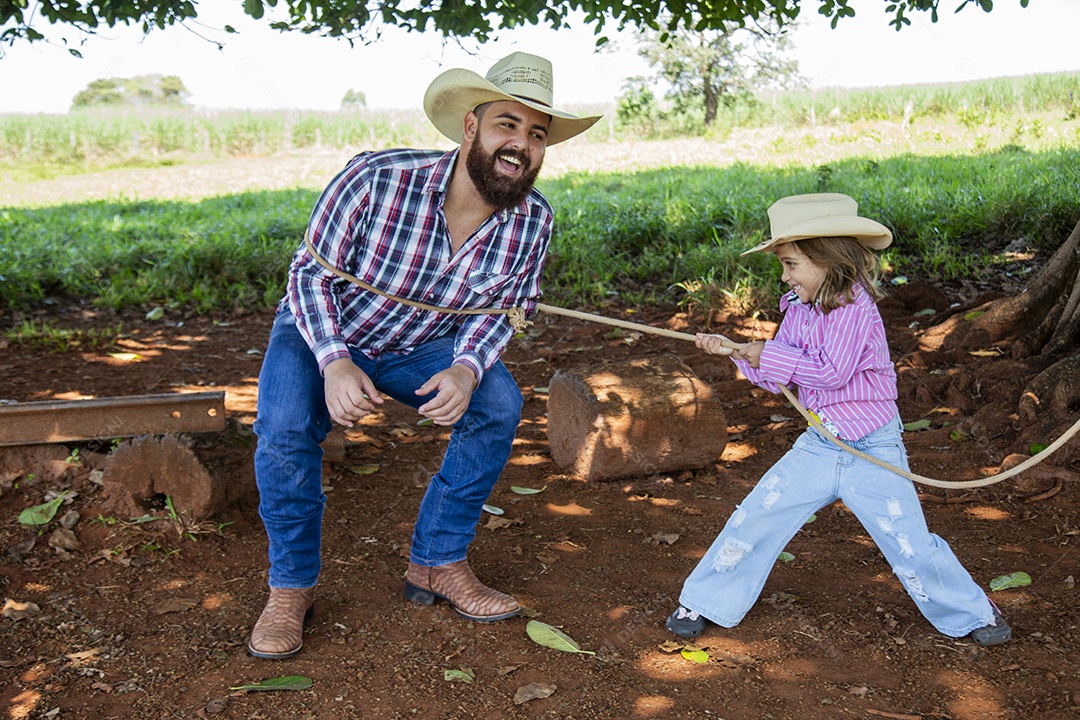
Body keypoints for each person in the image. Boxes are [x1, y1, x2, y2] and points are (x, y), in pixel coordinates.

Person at [247, 52, 601, 659]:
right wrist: (333, 361)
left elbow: (504, 311)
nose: (521, 144)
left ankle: (437, 561)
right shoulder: (375, 179)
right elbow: (308, 277)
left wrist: (466, 367)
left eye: (536, 135)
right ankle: (290, 588)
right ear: (471, 126)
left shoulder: (533, 222)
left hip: (422, 344)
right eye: (506, 125)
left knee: (497, 404)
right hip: (323, 331)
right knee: (282, 428)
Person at [666, 193, 1011, 647]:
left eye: (790, 264)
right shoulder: (796, 306)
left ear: (828, 259)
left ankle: (973, 614)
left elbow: (831, 372)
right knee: (756, 516)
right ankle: (706, 600)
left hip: (872, 449)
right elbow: (782, 378)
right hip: (821, 445)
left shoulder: (855, 307)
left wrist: (767, 353)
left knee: (909, 542)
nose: (785, 275)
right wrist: (737, 353)